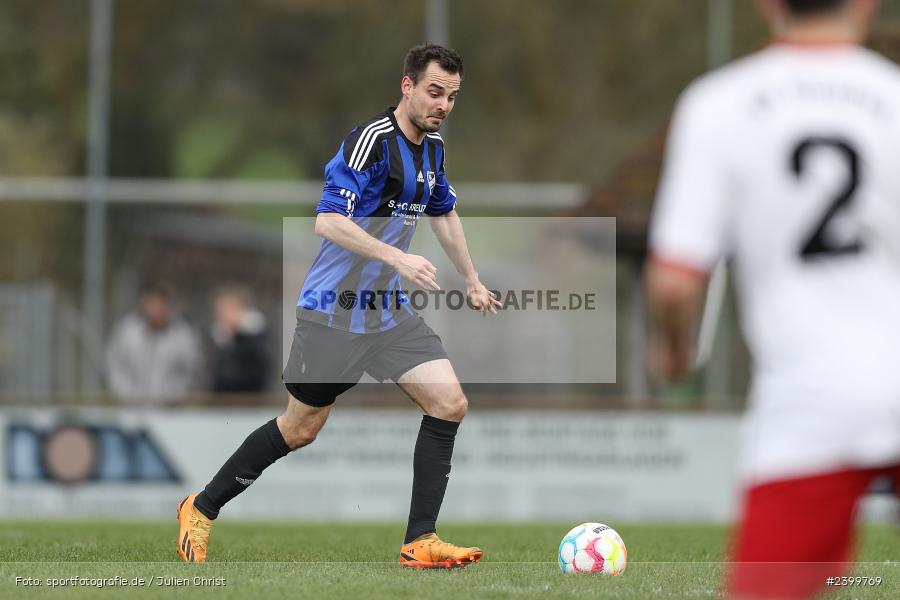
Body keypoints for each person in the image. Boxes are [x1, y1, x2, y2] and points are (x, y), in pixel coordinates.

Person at [177, 43, 501, 567]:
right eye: (435, 92)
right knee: (299, 428)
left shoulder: (433, 149)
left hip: (388, 313)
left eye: (452, 96)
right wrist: (396, 256)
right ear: (408, 86)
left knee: (449, 403)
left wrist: (472, 279)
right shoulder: (371, 141)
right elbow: (327, 221)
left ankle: (420, 540)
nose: (443, 104)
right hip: (334, 312)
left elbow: (444, 211)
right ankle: (201, 506)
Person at [646, 0, 900, 598]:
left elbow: (675, 280)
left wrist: (676, 354)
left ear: (766, 5)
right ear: (867, 4)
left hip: (809, 404)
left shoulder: (720, 104)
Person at [106, 282, 202, 405]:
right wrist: (126, 395)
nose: (156, 311)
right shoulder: (127, 332)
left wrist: (176, 396)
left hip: (171, 411)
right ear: (144, 304)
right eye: (152, 304)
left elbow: (193, 371)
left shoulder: (183, 335)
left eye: (161, 306)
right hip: (131, 408)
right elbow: (115, 365)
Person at [209, 285, 270, 394]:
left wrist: (240, 335)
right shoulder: (219, 337)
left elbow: (257, 372)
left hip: (249, 400)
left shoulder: (255, 337)